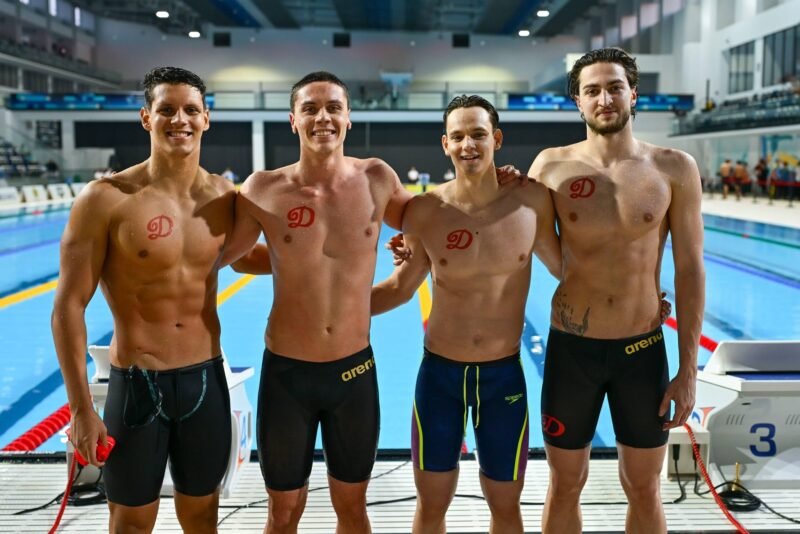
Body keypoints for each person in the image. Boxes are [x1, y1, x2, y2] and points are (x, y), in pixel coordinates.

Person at [52, 66, 267, 534]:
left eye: (191, 110)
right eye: (166, 109)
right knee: (131, 521)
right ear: (146, 117)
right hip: (138, 387)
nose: (179, 120)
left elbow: (254, 258)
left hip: (206, 382)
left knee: (202, 518)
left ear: (206, 118)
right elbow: (68, 306)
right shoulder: (105, 199)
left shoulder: (224, 197)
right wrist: (81, 409)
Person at [222, 71, 414, 534]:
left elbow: (428, 225)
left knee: (352, 508)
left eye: (333, 108)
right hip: (288, 373)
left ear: (348, 119)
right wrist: (293, 255)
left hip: (353, 373)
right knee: (283, 512)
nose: (322, 117)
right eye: (310, 108)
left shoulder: (377, 178)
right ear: (293, 120)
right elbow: (236, 258)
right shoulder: (264, 188)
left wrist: (495, 179)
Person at [529, 48, 705, 534]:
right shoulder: (549, 166)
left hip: (642, 352)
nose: (604, 98)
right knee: (563, 485)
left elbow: (690, 269)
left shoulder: (674, 167)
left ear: (633, 94)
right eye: (591, 90)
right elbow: (512, 238)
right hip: (572, 351)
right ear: (577, 102)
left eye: (613, 87)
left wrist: (688, 370)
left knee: (645, 487)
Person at [372, 95, 561, 534]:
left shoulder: (531, 202)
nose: (468, 144)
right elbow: (400, 288)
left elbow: (566, 269)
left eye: (478, 134)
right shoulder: (425, 211)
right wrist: (338, 310)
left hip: (503, 378)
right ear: (444, 144)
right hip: (440, 376)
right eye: (457, 136)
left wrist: (641, 295)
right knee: (432, 504)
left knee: (505, 506)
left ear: (496, 139)